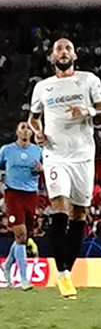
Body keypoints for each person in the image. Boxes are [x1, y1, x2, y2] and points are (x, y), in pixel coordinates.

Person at [28, 37, 101, 300]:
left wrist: (87, 111)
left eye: (67, 48)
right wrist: (38, 134)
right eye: (58, 49)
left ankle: (68, 274)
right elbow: (33, 119)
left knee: (79, 216)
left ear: (74, 55)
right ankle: (62, 273)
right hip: (55, 155)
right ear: (52, 58)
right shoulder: (42, 87)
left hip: (83, 157)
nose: (63, 53)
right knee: (60, 208)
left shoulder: (89, 80)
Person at [2, 121, 44, 289]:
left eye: (29, 129)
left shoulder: (38, 151)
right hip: (13, 194)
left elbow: (47, 169)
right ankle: (24, 279)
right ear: (17, 132)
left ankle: (6, 265)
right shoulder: (6, 150)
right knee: (20, 235)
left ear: (32, 134)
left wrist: (42, 169)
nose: (26, 131)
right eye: (23, 128)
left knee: (24, 237)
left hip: (31, 195)